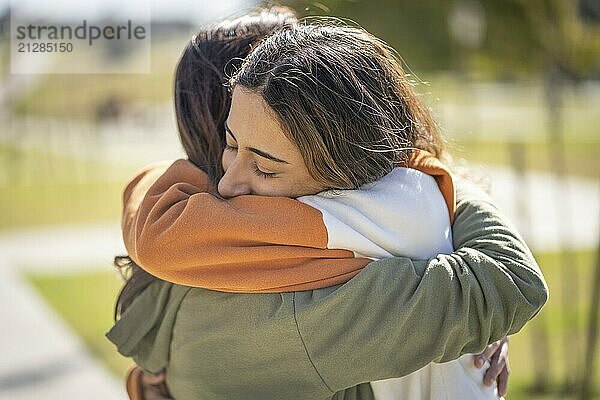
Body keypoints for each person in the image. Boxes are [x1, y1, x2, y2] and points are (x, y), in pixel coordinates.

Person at [108, 10, 546, 400]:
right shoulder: (315, 303)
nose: (230, 182)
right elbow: (506, 283)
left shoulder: (190, 250)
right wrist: (441, 184)